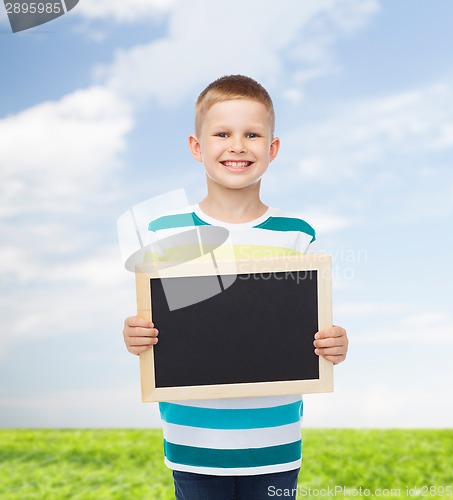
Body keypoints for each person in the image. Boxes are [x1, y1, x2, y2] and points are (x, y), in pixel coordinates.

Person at [123, 74, 349, 500]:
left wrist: (334, 343)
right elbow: (156, 320)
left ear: (272, 148)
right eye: (222, 133)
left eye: (252, 134)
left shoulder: (296, 234)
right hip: (193, 443)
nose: (238, 145)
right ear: (197, 146)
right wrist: (135, 335)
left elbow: (310, 326)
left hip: (275, 442)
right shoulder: (164, 231)